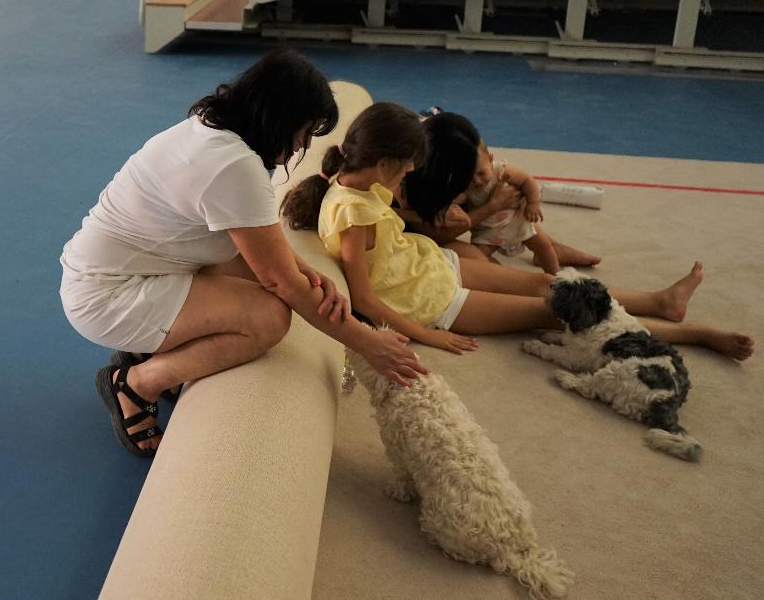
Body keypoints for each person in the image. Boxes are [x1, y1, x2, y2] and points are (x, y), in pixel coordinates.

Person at [60, 51, 426, 458]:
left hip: (123, 272)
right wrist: (368, 344)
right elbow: (279, 282)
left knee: (279, 284)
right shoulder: (234, 166)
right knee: (268, 319)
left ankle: (152, 345)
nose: (304, 145)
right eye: (306, 132)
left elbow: (263, 250)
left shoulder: (209, 128)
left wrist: (309, 272)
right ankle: (138, 382)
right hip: (107, 298)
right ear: (282, 119)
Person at [281, 102, 754, 360]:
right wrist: (426, 336)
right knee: (553, 310)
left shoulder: (355, 185)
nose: (408, 177)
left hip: (430, 265)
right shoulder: (353, 214)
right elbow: (363, 299)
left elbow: (397, 236)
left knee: (548, 283)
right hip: (435, 303)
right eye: (406, 169)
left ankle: (659, 302)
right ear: (385, 163)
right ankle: (691, 334)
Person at [464, 139, 600, 273]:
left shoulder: (500, 171)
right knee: (477, 257)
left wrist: (533, 203)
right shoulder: (462, 185)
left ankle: (555, 275)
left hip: (516, 222)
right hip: (487, 231)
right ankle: (503, 275)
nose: (476, 181)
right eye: (468, 177)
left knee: (544, 246)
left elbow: (527, 180)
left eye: (481, 173)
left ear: (491, 159)